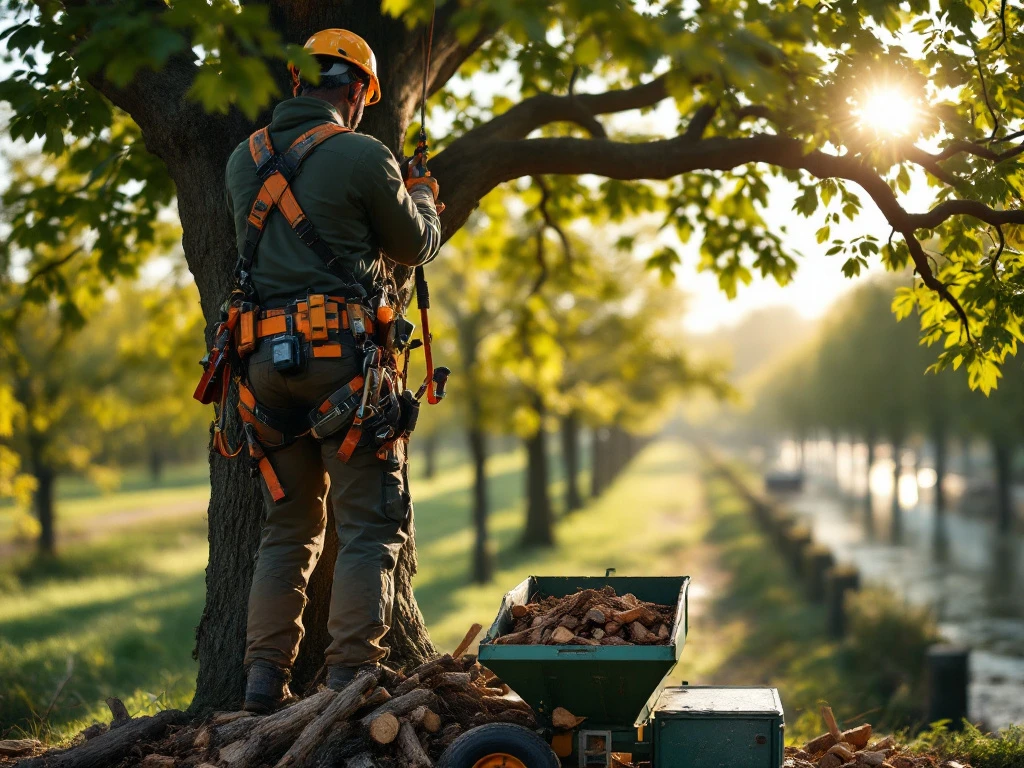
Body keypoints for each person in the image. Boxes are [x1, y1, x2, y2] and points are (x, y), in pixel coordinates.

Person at [221, 28, 441, 713]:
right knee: (370, 526)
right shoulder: (362, 155)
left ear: (298, 82)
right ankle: (349, 681)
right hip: (343, 364)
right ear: (354, 91)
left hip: (262, 369)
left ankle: (263, 681)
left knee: (286, 529)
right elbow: (414, 247)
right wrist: (423, 195)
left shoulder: (241, 161)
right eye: (362, 99)